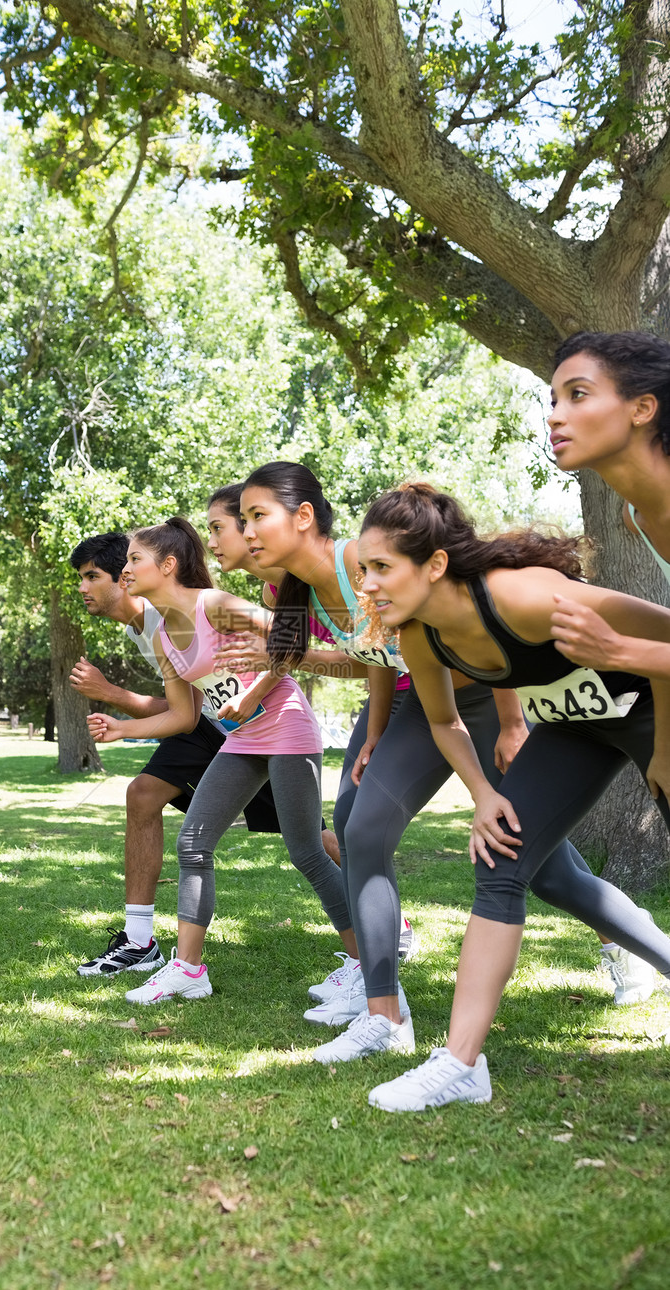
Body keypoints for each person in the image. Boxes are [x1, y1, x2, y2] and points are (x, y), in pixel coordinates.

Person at [236, 463, 658, 1068]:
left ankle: (638, 944)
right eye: (241, 521)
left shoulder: (386, 562)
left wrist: (515, 724)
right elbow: (387, 658)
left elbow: (494, 642)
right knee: (375, 832)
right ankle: (388, 1016)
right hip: (467, 708)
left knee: (546, 872)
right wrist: (381, 734)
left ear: (304, 517)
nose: (246, 533)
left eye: (256, 517)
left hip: (513, 700)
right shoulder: (320, 597)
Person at [356, 484, 670, 1113]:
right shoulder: (420, 635)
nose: (366, 585)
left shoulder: (522, 597)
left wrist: (663, 747)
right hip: (578, 725)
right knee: (499, 858)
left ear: (435, 564)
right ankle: (460, 1065)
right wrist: (480, 794)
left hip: (655, 710)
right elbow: (445, 722)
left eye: (381, 568)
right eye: (363, 569)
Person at [87, 517, 361, 1006]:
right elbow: (181, 716)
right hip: (243, 739)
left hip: (287, 729)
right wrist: (123, 728)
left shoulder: (212, 605)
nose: (123, 570)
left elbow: (290, 637)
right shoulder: (162, 635)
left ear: (167, 566)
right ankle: (188, 970)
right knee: (193, 844)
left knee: (307, 852)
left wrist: (254, 691)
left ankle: (367, 967)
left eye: (133, 560)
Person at [207, 481, 420, 964]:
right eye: (240, 522)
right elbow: (295, 658)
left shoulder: (348, 566)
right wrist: (254, 693)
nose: (235, 536)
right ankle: (376, 955)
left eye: (242, 523)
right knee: (349, 828)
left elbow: (362, 656)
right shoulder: (277, 588)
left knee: (522, 830)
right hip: (392, 696)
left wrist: (277, 667)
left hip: (437, 692)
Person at [68, 531, 286, 976]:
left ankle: (390, 926)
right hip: (204, 727)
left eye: (92, 576)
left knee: (309, 838)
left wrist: (110, 694)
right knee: (142, 795)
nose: (83, 588)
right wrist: (123, 723)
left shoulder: (166, 614)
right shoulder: (143, 625)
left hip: (246, 726)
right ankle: (138, 941)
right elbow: (184, 710)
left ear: (124, 578)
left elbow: (181, 708)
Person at [545, 331, 670, 680]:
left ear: (642, 409)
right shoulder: (636, 518)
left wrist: (617, 650)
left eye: (578, 394)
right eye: (554, 402)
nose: (554, 417)